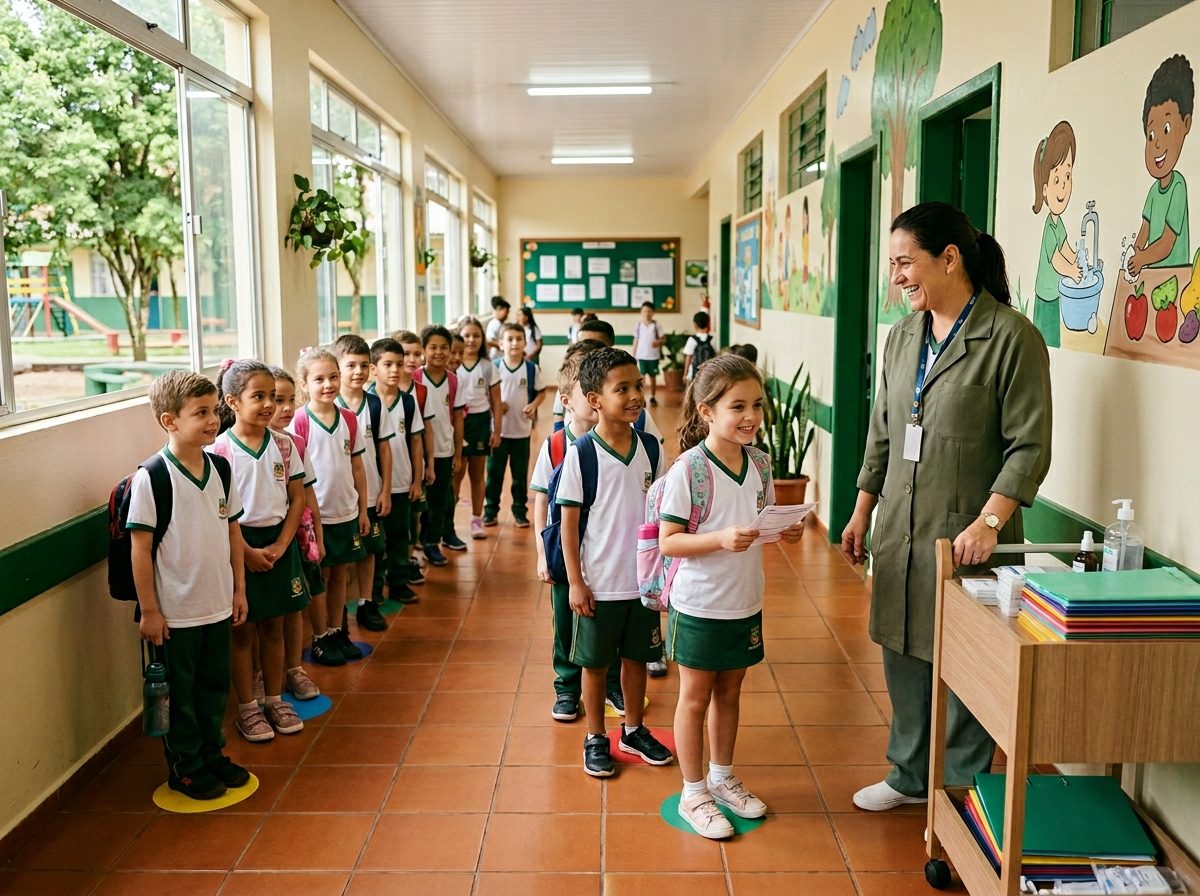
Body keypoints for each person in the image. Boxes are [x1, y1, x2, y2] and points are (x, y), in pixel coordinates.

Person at [840, 201, 1052, 811]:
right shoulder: (903, 336)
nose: (898, 277)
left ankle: (958, 784)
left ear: (949, 258)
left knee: (964, 655)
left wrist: (990, 523)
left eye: (906, 262)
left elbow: (1029, 445)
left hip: (967, 532)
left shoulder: (1011, 338)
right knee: (903, 644)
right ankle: (908, 775)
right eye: (893, 265)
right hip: (901, 528)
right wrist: (861, 511)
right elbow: (884, 430)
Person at [660, 354, 806, 837]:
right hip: (700, 603)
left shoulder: (760, 463)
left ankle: (722, 778)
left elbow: (756, 522)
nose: (751, 417)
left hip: (745, 601)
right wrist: (720, 539)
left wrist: (783, 532)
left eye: (758, 406)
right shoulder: (690, 470)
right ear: (706, 412)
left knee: (731, 692)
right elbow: (669, 541)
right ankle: (693, 791)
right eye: (737, 406)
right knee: (695, 698)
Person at [128, 370, 249, 800]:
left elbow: (233, 532)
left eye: (214, 409)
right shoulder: (153, 477)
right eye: (201, 412)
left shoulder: (219, 468)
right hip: (175, 615)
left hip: (216, 604)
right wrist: (151, 611)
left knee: (214, 687)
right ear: (169, 421)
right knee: (181, 696)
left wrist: (239, 590)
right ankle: (186, 766)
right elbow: (140, 550)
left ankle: (212, 753)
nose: (213, 419)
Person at [557, 347, 673, 777]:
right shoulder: (582, 453)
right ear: (594, 399)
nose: (634, 395)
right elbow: (568, 526)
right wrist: (575, 581)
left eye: (637, 386)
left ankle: (633, 729)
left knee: (638, 658)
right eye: (620, 388)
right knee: (594, 663)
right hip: (599, 583)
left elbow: (663, 510)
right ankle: (595, 736)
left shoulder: (650, 447)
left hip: (642, 583)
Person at [213, 359, 307, 743]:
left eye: (273, 396)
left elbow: (297, 499)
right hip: (239, 548)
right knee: (242, 632)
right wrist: (248, 553)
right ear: (233, 402)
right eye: (259, 396)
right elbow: (221, 515)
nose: (269, 404)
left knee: (275, 627)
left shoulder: (284, 445)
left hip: (279, 544)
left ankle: (274, 698)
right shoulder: (220, 451)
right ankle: (248, 708)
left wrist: (282, 545)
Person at [531, 340, 622, 722]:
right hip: (563, 552)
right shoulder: (554, 445)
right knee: (566, 622)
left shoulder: (618, 441)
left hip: (606, 551)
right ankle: (567, 687)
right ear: (568, 399)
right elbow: (539, 501)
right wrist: (541, 553)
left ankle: (612, 682)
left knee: (610, 620)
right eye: (588, 392)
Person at [287, 347, 369, 667]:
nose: (328, 384)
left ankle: (336, 631)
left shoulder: (348, 418)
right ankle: (320, 636)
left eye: (333, 377)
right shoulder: (300, 421)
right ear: (304, 384)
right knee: (319, 576)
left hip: (345, 510)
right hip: (315, 517)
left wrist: (362, 509)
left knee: (340, 575)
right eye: (319, 379)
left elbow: (357, 467)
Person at [267, 366, 323, 700]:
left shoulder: (294, 444)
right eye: (277, 400)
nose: (286, 409)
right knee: (262, 618)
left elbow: (306, 494)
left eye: (291, 400)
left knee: (293, 605)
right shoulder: (228, 447)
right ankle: (262, 675)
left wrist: (317, 534)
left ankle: (294, 669)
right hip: (257, 544)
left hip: (293, 539)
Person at [332, 335, 394, 633]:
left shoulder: (375, 404)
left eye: (363, 365)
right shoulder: (329, 405)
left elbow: (384, 447)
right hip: (340, 496)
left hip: (370, 491)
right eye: (350, 365)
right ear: (338, 368)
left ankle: (367, 602)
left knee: (370, 550)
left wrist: (385, 488)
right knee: (342, 557)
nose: (358, 372)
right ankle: (340, 611)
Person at [368, 337, 423, 605]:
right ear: (373, 368)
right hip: (373, 487)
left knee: (401, 537)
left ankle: (399, 582)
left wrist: (417, 480)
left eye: (399, 364)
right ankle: (375, 590)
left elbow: (416, 441)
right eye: (387, 364)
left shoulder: (408, 402)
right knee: (377, 543)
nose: (394, 370)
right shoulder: (365, 402)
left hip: (401, 483)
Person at [484, 323, 546, 528]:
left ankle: (520, 511)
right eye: (509, 339)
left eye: (519, 339)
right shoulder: (494, 367)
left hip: (521, 432)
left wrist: (533, 405)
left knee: (520, 476)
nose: (514, 343)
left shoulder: (531, 368)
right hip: (497, 432)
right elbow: (483, 395)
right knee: (494, 474)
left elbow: (541, 392)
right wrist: (496, 405)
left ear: (525, 343)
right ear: (501, 343)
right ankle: (490, 511)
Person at [414, 324, 467, 563]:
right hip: (418, 451)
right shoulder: (415, 378)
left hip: (444, 450)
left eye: (444, 347)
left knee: (441, 499)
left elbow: (457, 417)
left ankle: (433, 542)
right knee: (420, 500)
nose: (439, 352)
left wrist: (456, 454)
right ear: (424, 350)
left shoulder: (454, 381)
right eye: (433, 347)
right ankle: (419, 540)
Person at [1031, 121, 1080, 348]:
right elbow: (1056, 259)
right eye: (1057, 179)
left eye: (1067, 177)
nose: (1063, 188)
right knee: (1045, 338)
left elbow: (1066, 248)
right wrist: (1071, 270)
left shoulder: (1059, 225)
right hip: (1045, 295)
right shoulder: (1049, 227)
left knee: (1054, 337)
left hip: (1055, 293)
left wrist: (1077, 257)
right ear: (1044, 189)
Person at [454, 316, 501, 540]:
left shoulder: (487, 367)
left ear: (482, 339)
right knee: (456, 473)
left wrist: (497, 430)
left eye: (476, 335)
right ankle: (448, 523)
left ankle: (476, 519)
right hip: (457, 424)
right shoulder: (452, 365)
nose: (471, 340)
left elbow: (496, 403)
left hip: (480, 422)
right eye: (466, 335)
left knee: (477, 473)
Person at [395, 330, 432, 583]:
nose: (409, 359)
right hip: (389, 468)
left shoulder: (420, 391)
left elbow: (423, 432)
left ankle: (411, 555)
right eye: (404, 354)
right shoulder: (376, 393)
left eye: (415, 354)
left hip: (412, 464)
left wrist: (429, 464)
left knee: (413, 513)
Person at [632, 301, 664, 406]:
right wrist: (633, 354)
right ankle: (643, 398)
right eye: (645, 311)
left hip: (653, 356)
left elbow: (663, 338)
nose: (647, 313)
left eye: (649, 311)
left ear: (653, 312)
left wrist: (658, 342)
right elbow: (635, 340)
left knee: (653, 377)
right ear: (641, 312)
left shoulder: (656, 325)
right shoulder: (638, 325)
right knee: (641, 379)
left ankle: (653, 397)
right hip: (641, 356)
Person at [682, 310, 717, 381]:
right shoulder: (712, 339)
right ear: (708, 323)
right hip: (709, 372)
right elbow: (715, 356)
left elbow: (688, 358)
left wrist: (685, 373)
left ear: (695, 324)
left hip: (694, 373)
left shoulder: (692, 340)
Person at [485, 295, 511, 360]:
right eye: (506, 312)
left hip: (502, 356)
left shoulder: (501, 324)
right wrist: (505, 346)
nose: (507, 314)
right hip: (496, 356)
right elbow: (489, 341)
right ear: (498, 310)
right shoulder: (494, 323)